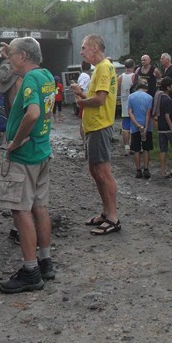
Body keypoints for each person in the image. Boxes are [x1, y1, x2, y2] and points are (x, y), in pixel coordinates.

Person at [0, 37, 57, 293]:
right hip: (41, 151)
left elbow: (32, 113)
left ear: (23, 56)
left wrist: (15, 142)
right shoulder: (46, 75)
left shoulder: (30, 79)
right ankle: (45, 261)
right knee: (39, 207)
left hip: (25, 156)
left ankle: (30, 271)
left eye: (11, 54)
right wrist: (9, 50)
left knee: (20, 211)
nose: (8, 59)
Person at [71, 34, 120, 235]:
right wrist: (81, 94)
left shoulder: (103, 68)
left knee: (103, 172)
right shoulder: (99, 68)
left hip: (100, 126)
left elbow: (100, 100)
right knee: (94, 170)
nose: (81, 52)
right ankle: (106, 212)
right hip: (93, 126)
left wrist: (81, 102)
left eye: (84, 48)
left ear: (95, 47)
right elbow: (97, 98)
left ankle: (113, 218)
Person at [155, 77, 172, 179]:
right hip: (168, 127)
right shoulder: (168, 99)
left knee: (163, 149)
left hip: (160, 127)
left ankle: (163, 171)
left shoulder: (159, 97)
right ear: (168, 87)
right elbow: (167, 116)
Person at [128, 79, 154, 179]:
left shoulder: (131, 97)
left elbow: (130, 112)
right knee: (146, 148)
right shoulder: (149, 97)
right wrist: (145, 127)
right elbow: (148, 114)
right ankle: (146, 169)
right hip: (147, 126)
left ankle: (138, 170)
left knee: (136, 149)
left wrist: (137, 125)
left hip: (135, 126)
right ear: (145, 89)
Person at [118, 59, 137, 156]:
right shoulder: (134, 76)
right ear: (133, 66)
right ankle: (134, 146)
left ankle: (126, 147)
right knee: (134, 126)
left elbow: (117, 91)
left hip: (125, 104)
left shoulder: (120, 77)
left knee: (125, 127)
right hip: (134, 105)